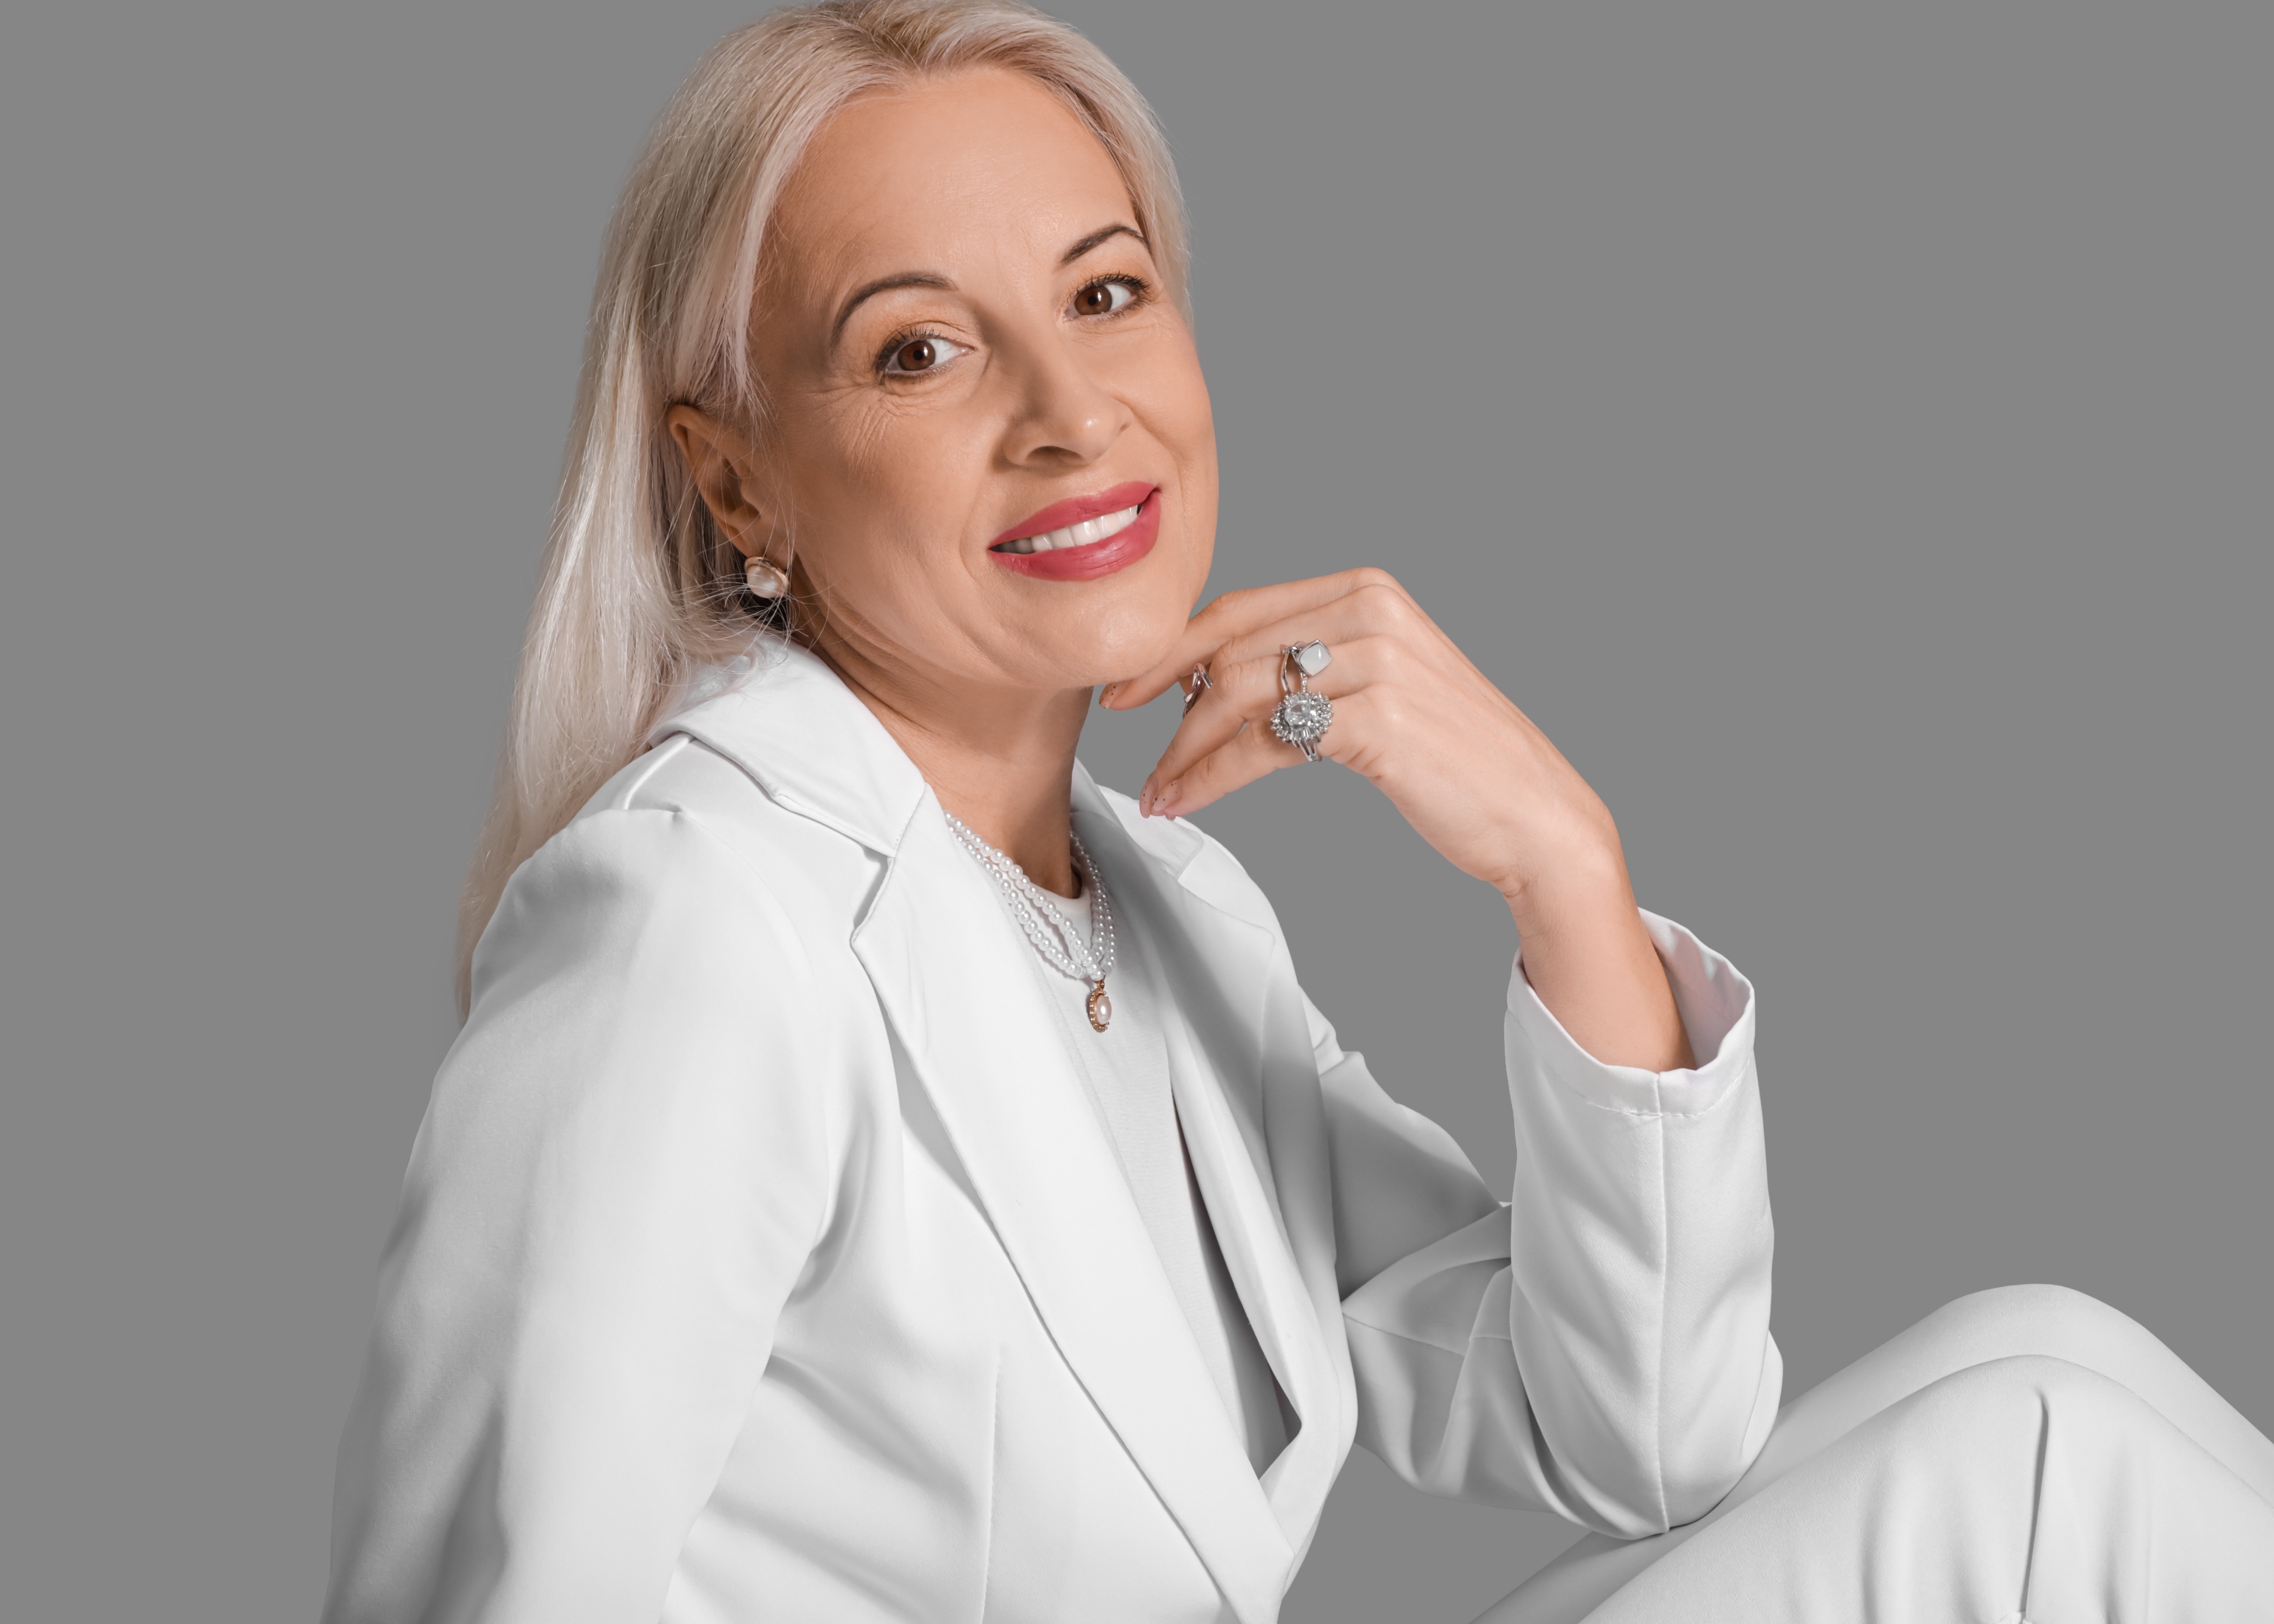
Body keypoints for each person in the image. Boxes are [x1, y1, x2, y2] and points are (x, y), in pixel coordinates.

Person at [321, 4, 2274, 1620]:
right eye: (919, 348)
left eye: (1104, 293)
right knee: (2058, 1463)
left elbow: (1637, 1437)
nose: (1068, 410)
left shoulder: (1158, 906)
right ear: (735, 480)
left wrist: (1559, 862)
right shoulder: (700, 912)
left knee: (2047, 1372)